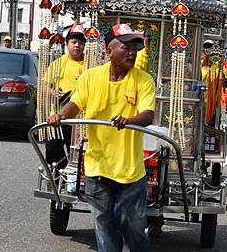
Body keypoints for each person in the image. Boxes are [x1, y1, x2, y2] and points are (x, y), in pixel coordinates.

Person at [47, 23, 154, 252]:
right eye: (125, 47)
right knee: (104, 225)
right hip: (97, 166)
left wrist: (128, 120)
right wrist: (60, 115)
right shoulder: (91, 77)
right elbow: (75, 103)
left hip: (130, 171)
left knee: (131, 223)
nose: (132, 52)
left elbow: (148, 115)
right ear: (108, 49)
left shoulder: (143, 80)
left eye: (135, 47)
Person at [43, 25, 86, 169]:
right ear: (67, 44)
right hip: (58, 116)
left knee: (78, 154)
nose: (77, 45)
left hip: (80, 119)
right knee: (53, 150)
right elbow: (45, 85)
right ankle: (54, 181)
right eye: (74, 42)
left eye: (80, 43)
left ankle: (72, 183)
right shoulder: (58, 63)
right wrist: (52, 92)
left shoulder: (90, 64)